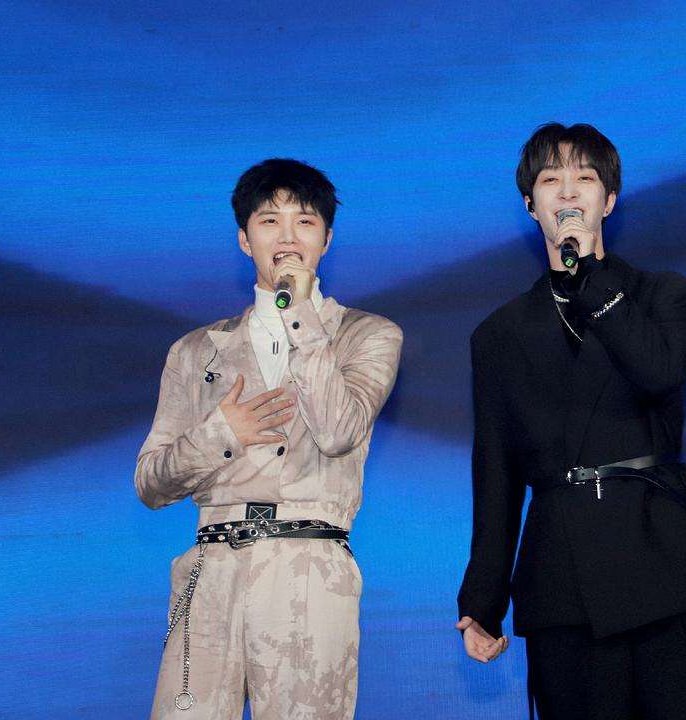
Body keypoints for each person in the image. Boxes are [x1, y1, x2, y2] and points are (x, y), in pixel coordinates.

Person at [456, 123, 686, 719]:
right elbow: (496, 471)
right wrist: (483, 598)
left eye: (584, 178)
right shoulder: (500, 335)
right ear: (530, 205)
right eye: (550, 180)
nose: (567, 192)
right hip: (563, 574)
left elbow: (658, 371)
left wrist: (594, 279)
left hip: (663, 559)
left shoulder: (667, 296)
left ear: (608, 201)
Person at [136, 158, 402, 719]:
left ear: (327, 240)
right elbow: (151, 483)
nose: (287, 238)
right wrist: (221, 434)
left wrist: (300, 314)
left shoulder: (368, 335)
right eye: (269, 221)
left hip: (310, 566)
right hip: (211, 568)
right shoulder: (195, 351)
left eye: (304, 222)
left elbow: (337, 432)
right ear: (244, 238)